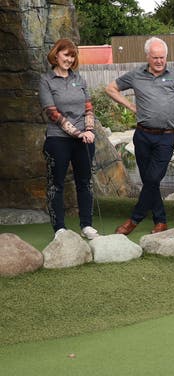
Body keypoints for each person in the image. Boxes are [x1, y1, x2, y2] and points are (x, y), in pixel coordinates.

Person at [105, 37, 174, 235]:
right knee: (150, 182)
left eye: (162, 57)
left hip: (166, 138)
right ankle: (160, 221)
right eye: (155, 57)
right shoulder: (136, 75)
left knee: (152, 179)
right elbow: (110, 88)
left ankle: (134, 220)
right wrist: (130, 106)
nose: (159, 61)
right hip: (143, 136)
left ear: (166, 56)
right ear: (148, 57)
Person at [39, 38, 100, 240]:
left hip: (84, 139)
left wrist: (89, 130)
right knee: (56, 184)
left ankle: (87, 226)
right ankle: (59, 229)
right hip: (58, 140)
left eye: (72, 55)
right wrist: (77, 132)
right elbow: (52, 113)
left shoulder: (79, 79)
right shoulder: (46, 80)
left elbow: (88, 108)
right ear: (56, 55)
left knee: (84, 183)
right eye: (66, 54)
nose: (69, 59)